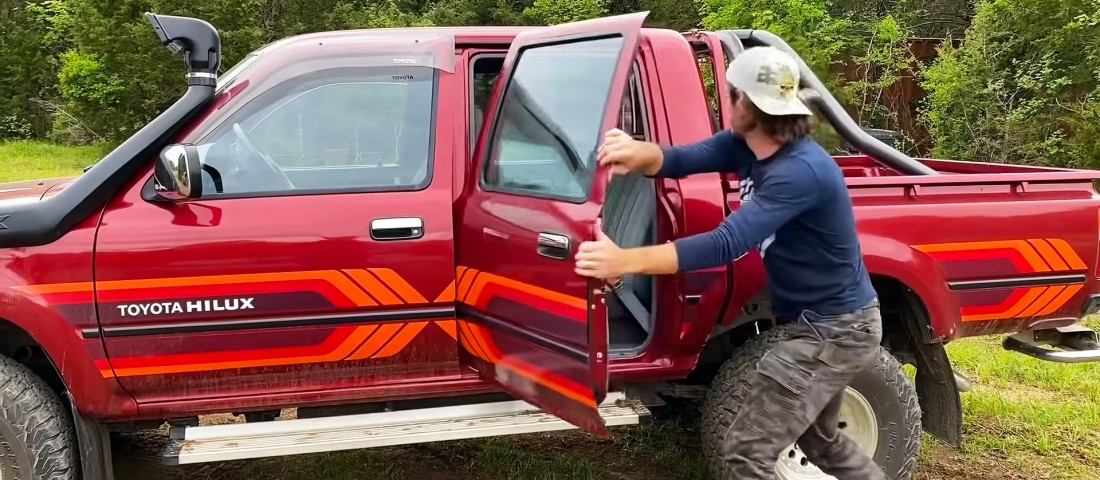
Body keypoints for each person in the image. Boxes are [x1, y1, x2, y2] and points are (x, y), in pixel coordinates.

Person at [573, 46, 886, 480]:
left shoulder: (798, 171)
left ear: (750, 106)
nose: (726, 100)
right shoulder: (747, 144)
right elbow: (682, 158)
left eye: (732, 94)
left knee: (744, 455)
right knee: (821, 441)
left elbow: (727, 243)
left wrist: (625, 259)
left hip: (833, 331)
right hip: (822, 324)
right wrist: (635, 151)